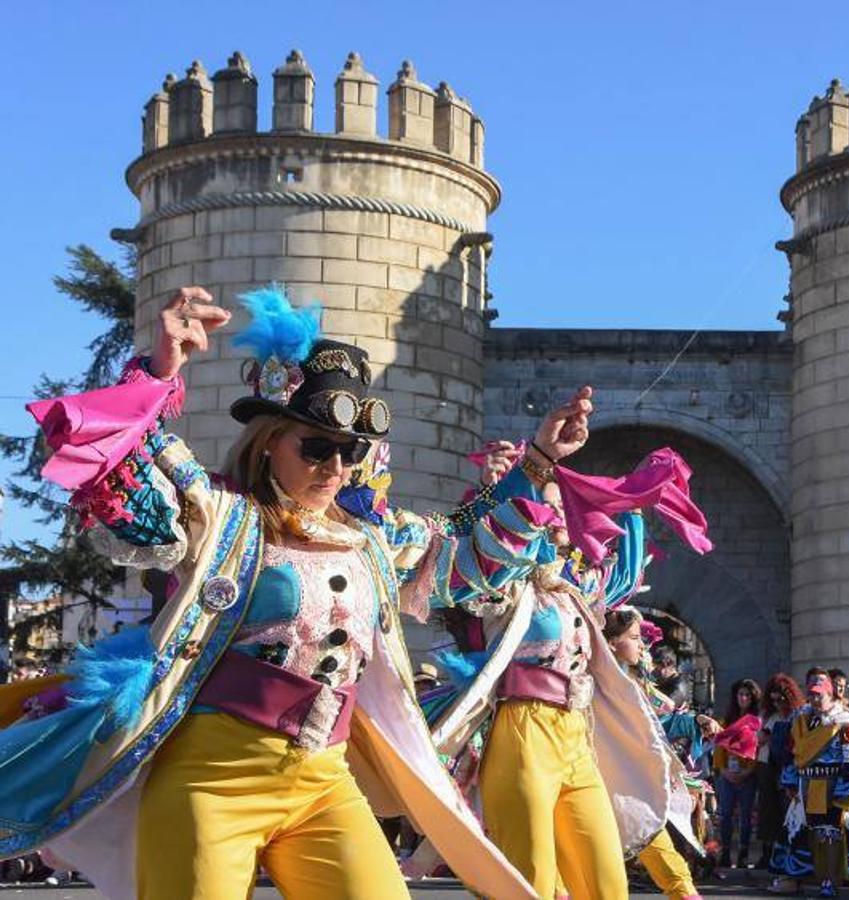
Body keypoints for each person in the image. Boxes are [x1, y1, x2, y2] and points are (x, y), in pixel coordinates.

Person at [0, 286, 590, 899]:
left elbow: (466, 553)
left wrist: (540, 459)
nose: (335, 467)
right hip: (213, 778)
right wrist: (159, 370)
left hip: (323, 780)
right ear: (268, 442)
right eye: (316, 447)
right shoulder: (220, 517)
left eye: (350, 451)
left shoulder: (370, 539)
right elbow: (119, 473)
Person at [430, 437, 713, 900]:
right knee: (533, 882)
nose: (561, 515)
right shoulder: (510, 586)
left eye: (565, 507)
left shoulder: (576, 589)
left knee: (606, 884)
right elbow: (467, 555)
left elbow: (623, 578)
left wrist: (635, 500)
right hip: (524, 731)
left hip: (577, 737)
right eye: (550, 506)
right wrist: (491, 494)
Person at [603, 607, 703, 900]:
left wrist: (696, 722)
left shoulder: (635, 684)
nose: (643, 646)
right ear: (611, 643)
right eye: (635, 638)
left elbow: (661, 719)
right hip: (600, 781)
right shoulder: (594, 682)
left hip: (632, 786)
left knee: (661, 850)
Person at [779, 671, 849, 898]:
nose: (815, 699)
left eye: (820, 695)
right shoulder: (802, 721)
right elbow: (793, 753)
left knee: (830, 833)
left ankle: (830, 880)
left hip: (831, 784)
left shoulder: (845, 723)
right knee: (803, 831)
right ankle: (803, 877)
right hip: (806, 784)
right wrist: (791, 781)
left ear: (830, 694)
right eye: (811, 695)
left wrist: (847, 789)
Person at [713, 678, 763, 868]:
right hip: (727, 774)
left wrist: (747, 772)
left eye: (747, 695)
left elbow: (757, 750)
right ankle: (725, 852)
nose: (743, 698)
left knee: (746, 816)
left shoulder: (756, 722)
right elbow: (719, 749)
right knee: (725, 815)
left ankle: (743, 853)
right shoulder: (727, 720)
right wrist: (724, 770)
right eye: (740, 694)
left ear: (753, 698)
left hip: (747, 775)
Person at [758, 673, 805, 870]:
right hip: (767, 765)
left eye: (780, 700)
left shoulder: (797, 715)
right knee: (768, 810)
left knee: (787, 809)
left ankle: (786, 853)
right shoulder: (769, 716)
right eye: (773, 700)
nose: (777, 704)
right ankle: (768, 853)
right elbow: (760, 738)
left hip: (788, 766)